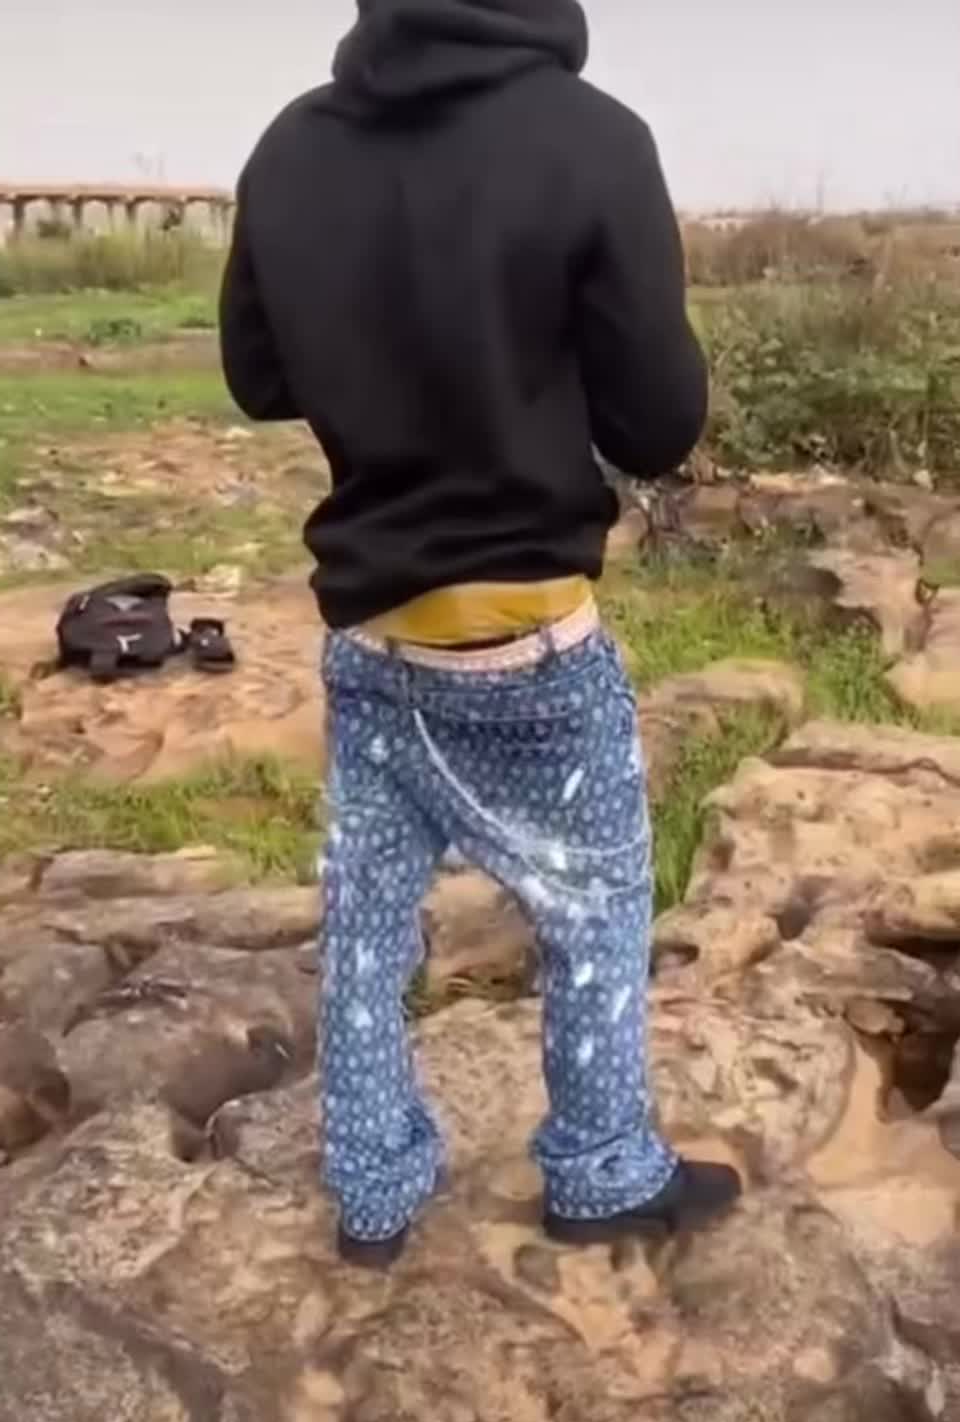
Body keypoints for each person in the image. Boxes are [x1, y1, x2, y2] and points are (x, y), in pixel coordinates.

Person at [219, 0, 742, 1268]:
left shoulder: (293, 143)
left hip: (373, 644)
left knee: (364, 929)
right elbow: (658, 424)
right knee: (595, 911)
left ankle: (373, 1192)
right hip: (531, 649)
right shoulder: (592, 139)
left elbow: (258, 375)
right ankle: (601, 1169)